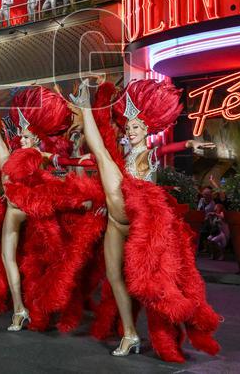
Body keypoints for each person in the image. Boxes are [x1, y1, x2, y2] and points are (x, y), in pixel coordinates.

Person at [72, 77, 220, 362]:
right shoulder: (124, 157)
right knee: (114, 276)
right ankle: (130, 333)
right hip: (117, 221)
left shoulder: (149, 154)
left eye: (136, 127)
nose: (131, 131)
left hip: (143, 224)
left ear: (146, 130)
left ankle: (85, 106)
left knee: (149, 283)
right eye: (128, 128)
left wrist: (189, 142)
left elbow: (167, 150)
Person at [0, 82, 101, 333]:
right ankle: (20, 308)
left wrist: (78, 160)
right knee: (8, 257)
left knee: (45, 260)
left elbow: (58, 174)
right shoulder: (11, 157)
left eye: (26, 136)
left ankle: (45, 306)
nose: (21, 138)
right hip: (14, 211)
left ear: (34, 139)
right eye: (21, 136)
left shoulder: (37, 157)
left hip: (33, 210)